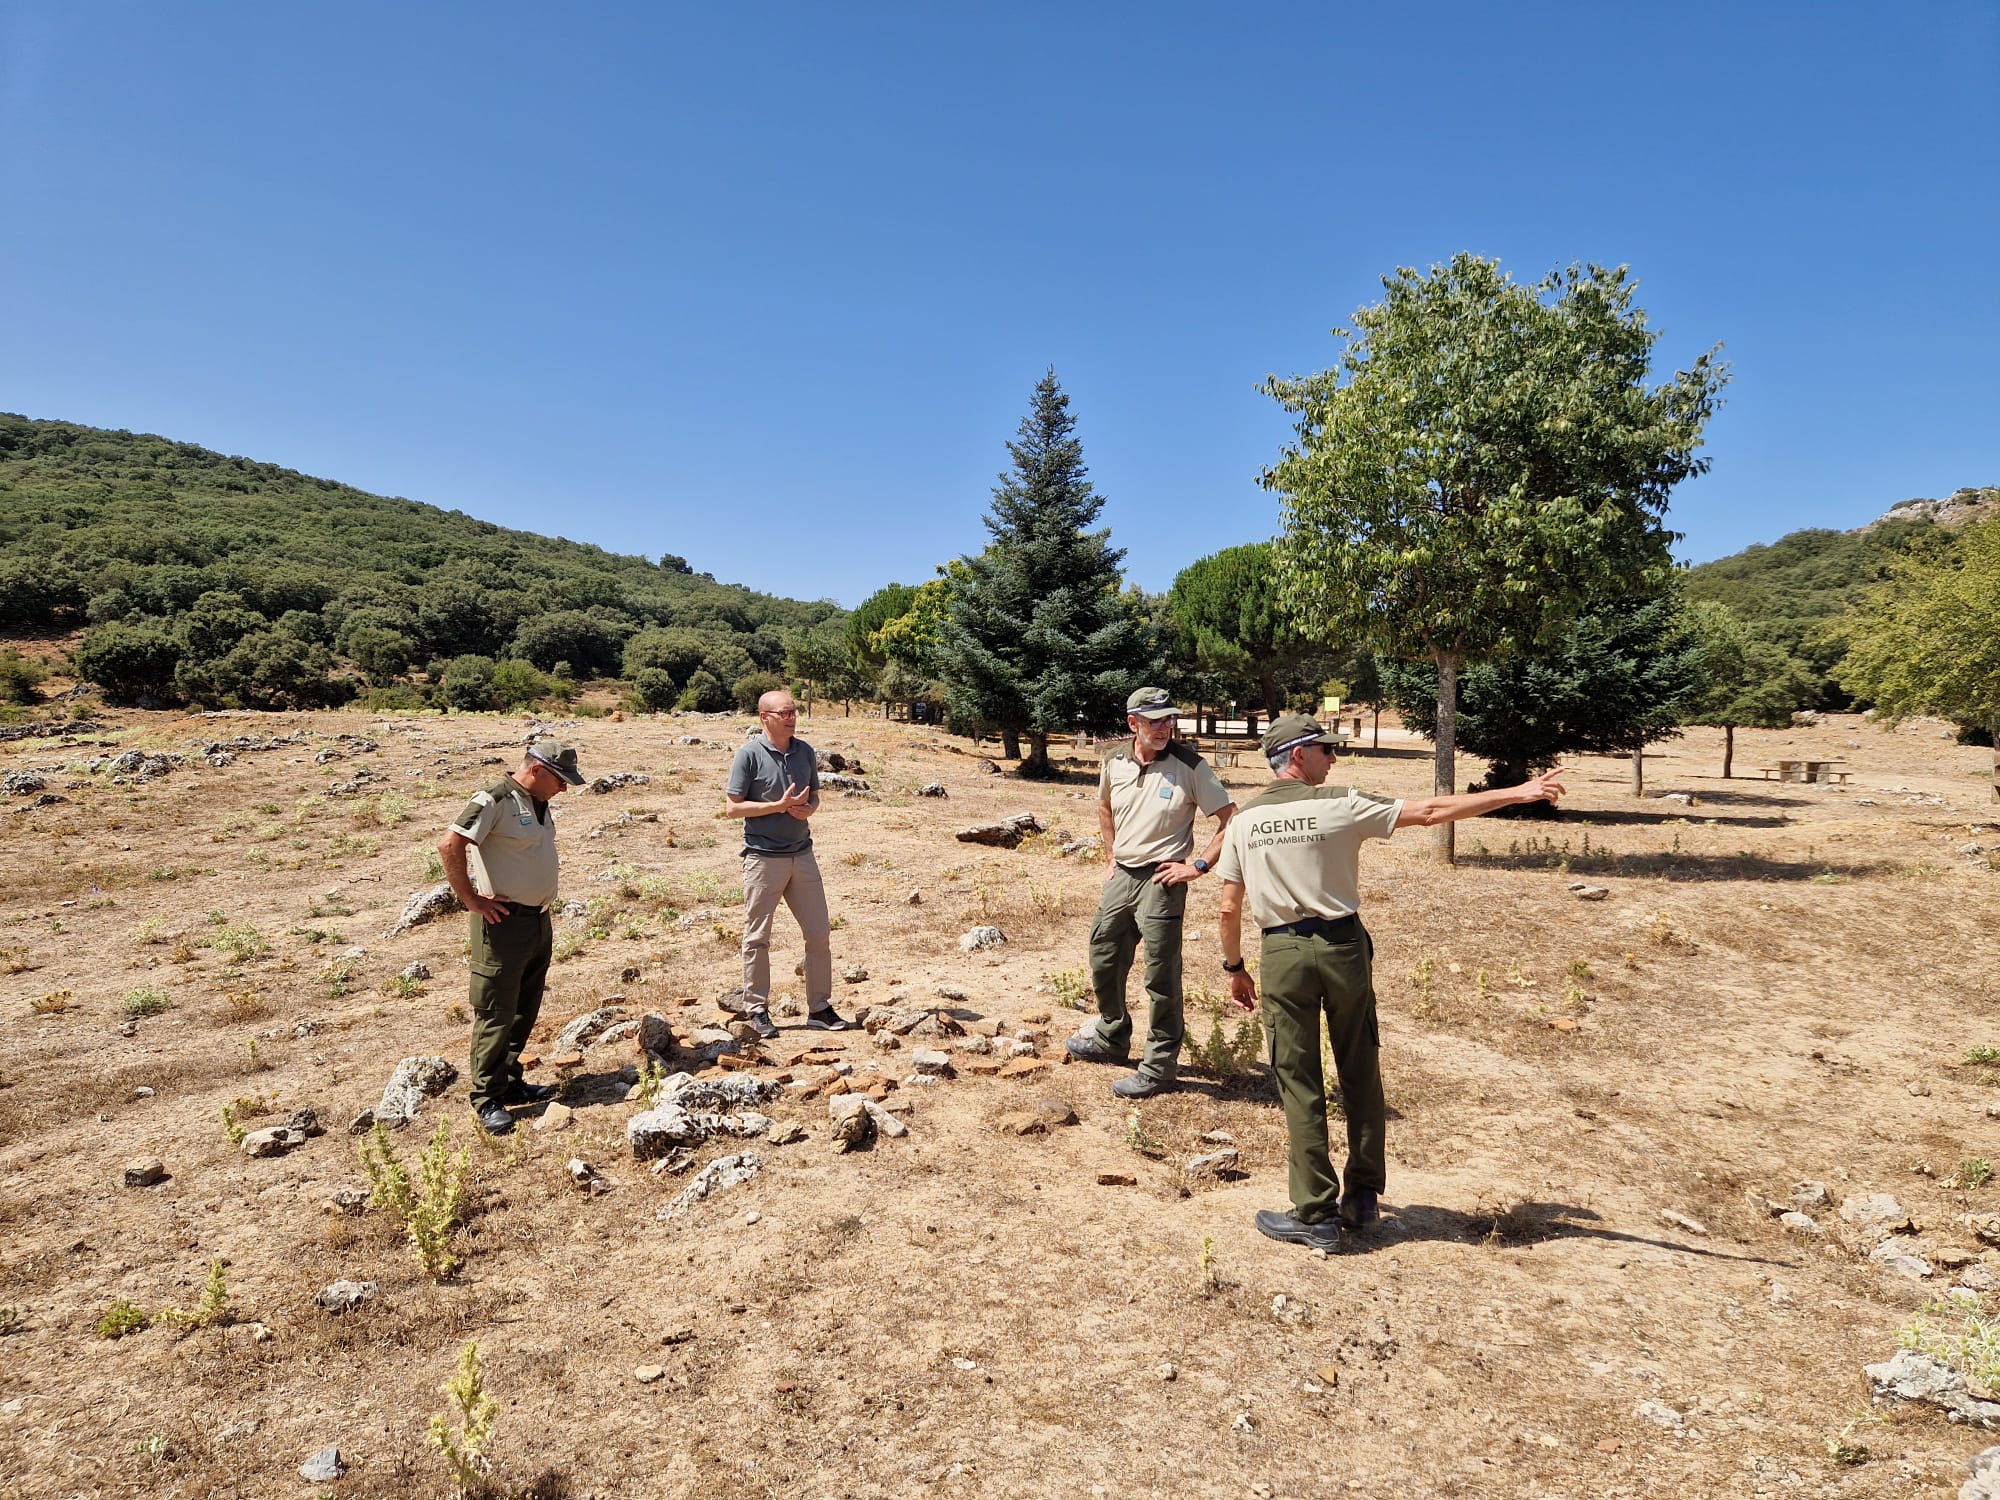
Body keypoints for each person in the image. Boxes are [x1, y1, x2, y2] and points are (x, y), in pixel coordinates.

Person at [1217, 713, 1566, 1250]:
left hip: (1282, 951)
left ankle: (1314, 1212)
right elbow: (1432, 811)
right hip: (1343, 947)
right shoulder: (1339, 803)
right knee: (1359, 1065)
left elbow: (1228, 906)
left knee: (1298, 1075)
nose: (1334, 758)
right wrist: (1518, 792)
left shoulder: (1243, 822)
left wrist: (1235, 969)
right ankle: (1361, 1197)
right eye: (1326, 750)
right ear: (1297, 756)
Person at [1065, 686, 1236, 1098]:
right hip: (1122, 875)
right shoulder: (1113, 761)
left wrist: (1196, 866)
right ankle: (1111, 1036)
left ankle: (1159, 1066)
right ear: (1132, 723)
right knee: (1104, 954)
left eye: (1168, 719)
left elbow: (1231, 819)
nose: (1165, 727)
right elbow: (1104, 807)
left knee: (1160, 973)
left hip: (1163, 880)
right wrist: (1111, 855)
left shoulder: (1190, 766)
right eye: (1155, 720)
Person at [437, 740, 586, 1136]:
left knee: (524, 1005)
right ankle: (487, 1098)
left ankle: (509, 1078)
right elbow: (450, 844)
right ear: (536, 770)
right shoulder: (495, 798)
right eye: (560, 780)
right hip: (502, 924)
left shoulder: (539, 801)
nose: (565, 789)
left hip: (537, 921)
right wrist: (473, 900)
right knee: (495, 1011)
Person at [724, 688, 853, 1037]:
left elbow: (814, 797)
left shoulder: (805, 751)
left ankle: (820, 1008)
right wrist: (776, 806)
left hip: (802, 855)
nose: (792, 717)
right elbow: (732, 807)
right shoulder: (749, 755)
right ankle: (756, 1010)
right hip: (763, 858)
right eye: (784, 713)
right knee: (757, 938)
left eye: (794, 711)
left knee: (818, 933)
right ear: (764, 717)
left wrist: (807, 808)